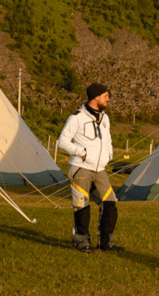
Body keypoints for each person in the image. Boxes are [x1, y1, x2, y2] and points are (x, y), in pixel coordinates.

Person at [59, 83, 121, 252]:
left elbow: (107, 142)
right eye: (106, 95)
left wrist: (108, 156)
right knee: (82, 207)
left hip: (99, 170)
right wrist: (83, 153)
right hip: (81, 168)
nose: (108, 98)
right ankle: (82, 242)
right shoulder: (77, 117)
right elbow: (62, 141)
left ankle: (106, 244)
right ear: (96, 97)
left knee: (110, 204)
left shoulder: (105, 118)